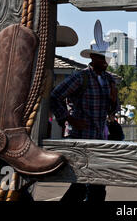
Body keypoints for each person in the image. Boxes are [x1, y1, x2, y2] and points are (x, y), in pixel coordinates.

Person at [50, 35, 119, 202]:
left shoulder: (110, 79)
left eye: (107, 58)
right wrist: (68, 119)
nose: (105, 61)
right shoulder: (81, 77)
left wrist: (114, 99)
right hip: (80, 138)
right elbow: (54, 97)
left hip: (99, 139)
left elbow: (113, 110)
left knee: (93, 186)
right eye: (102, 57)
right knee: (84, 184)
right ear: (93, 57)